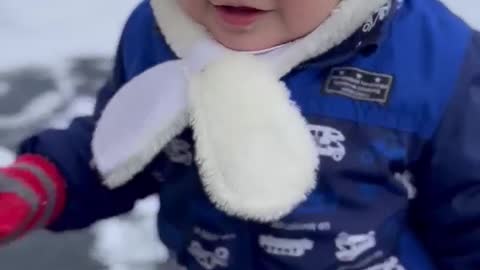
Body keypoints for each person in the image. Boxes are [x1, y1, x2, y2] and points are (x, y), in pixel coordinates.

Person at [1, 0, 479, 269]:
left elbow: (469, 211)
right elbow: (124, 142)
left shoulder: (436, 59)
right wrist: (44, 181)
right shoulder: (160, 32)